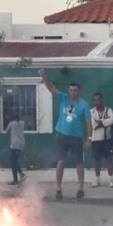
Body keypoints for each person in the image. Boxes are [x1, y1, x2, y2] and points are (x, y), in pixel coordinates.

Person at [38, 67, 92, 201]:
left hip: (76, 138)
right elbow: (51, 88)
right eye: (71, 90)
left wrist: (89, 138)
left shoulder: (84, 105)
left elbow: (88, 123)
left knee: (79, 163)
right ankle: (58, 188)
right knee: (61, 162)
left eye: (75, 90)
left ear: (79, 91)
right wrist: (44, 76)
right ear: (68, 91)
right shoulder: (63, 98)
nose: (73, 93)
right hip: (62, 136)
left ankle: (80, 188)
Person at [89, 92, 113, 188]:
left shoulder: (109, 110)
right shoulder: (91, 111)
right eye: (95, 100)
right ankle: (97, 179)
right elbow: (93, 124)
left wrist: (100, 122)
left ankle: (111, 179)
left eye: (99, 99)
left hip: (107, 138)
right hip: (96, 138)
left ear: (102, 99)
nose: (98, 102)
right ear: (93, 101)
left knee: (109, 158)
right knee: (97, 159)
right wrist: (104, 122)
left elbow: (111, 120)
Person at [3, 114, 26, 185]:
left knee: (13, 162)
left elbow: (7, 131)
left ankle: (17, 178)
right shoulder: (22, 123)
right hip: (22, 144)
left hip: (15, 144)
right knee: (15, 161)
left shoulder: (11, 123)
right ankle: (20, 175)